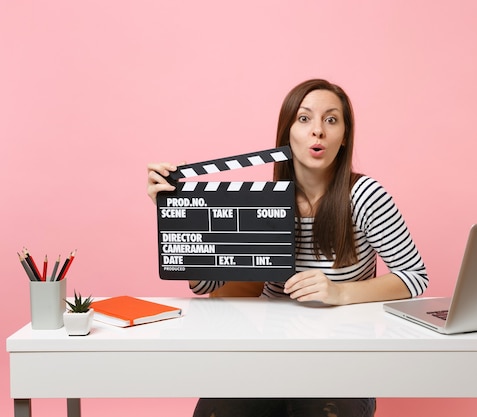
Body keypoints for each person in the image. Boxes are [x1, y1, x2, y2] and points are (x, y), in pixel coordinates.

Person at [146, 79, 429, 417]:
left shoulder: (365, 196)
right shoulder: (259, 202)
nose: (318, 132)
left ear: (344, 138)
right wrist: (176, 214)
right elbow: (206, 283)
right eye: (305, 119)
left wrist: (339, 293)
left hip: (342, 359)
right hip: (267, 354)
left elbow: (414, 278)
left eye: (331, 120)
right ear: (287, 135)